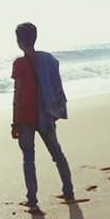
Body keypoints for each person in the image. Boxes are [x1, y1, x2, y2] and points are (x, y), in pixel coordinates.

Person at [11, 22, 75, 208]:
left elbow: (18, 94)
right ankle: (68, 191)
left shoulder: (19, 64)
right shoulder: (48, 60)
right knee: (57, 154)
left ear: (19, 41)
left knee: (28, 159)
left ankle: (32, 199)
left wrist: (14, 123)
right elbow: (56, 86)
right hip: (45, 115)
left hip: (25, 118)